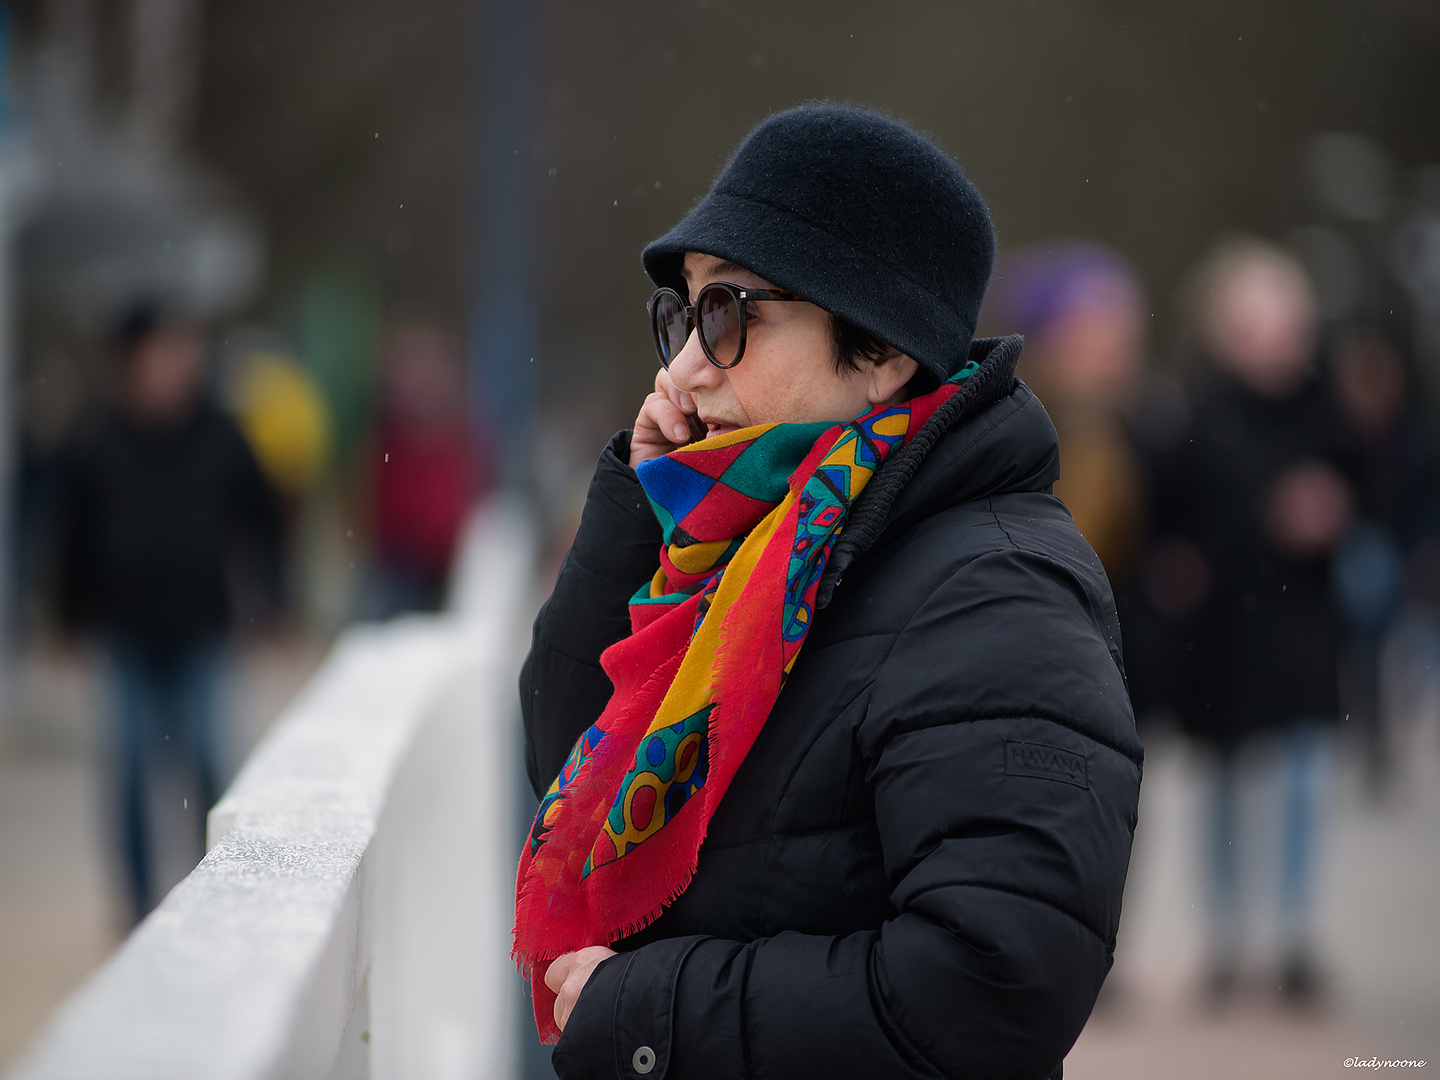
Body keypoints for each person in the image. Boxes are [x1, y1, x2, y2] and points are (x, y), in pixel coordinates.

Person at [515, 105, 1142, 1080]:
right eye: (684, 314)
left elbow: (990, 986)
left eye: (728, 316)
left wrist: (644, 1011)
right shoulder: (746, 539)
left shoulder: (997, 593)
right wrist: (640, 510)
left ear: (884, 352)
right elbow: (566, 750)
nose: (679, 369)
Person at [1156, 240, 1355, 1004]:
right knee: (1229, 790)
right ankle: (1229, 939)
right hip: (1227, 637)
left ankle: (1295, 935)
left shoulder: (1325, 405)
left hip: (1304, 628)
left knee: (1305, 778)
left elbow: (1370, 482)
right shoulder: (1198, 413)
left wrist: (1335, 507)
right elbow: (1183, 517)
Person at [56, 305, 284, 922]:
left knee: (211, 763)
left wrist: (270, 601)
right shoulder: (96, 439)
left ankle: (215, 896)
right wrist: (69, 618)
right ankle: (136, 909)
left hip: (200, 628)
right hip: (126, 632)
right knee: (130, 771)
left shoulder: (221, 435)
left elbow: (264, 520)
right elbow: (72, 536)